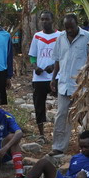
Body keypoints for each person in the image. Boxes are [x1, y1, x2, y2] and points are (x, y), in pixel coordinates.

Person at [49, 14, 89, 156]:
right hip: (64, 85)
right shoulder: (60, 38)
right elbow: (57, 60)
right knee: (61, 116)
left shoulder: (87, 37)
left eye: (71, 27)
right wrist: (53, 79)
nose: (69, 30)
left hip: (81, 87)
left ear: (77, 24)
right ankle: (59, 147)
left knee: (85, 118)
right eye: (66, 27)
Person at [28, 11, 59, 142]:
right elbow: (32, 56)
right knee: (39, 105)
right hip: (39, 78)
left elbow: (63, 56)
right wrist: (36, 68)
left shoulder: (60, 35)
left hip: (56, 76)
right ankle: (41, 134)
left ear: (52, 20)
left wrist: (53, 66)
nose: (44, 21)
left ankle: (60, 134)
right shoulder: (37, 36)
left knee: (63, 104)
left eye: (47, 19)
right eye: (42, 19)